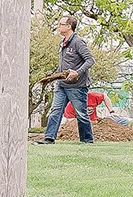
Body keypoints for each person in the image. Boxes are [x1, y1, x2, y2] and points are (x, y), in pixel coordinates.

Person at [40, 15, 96, 145]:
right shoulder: (63, 42)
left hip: (77, 86)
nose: (58, 26)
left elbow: (90, 60)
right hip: (61, 84)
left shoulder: (78, 42)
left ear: (68, 26)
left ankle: (87, 141)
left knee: (81, 114)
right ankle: (49, 138)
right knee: (55, 111)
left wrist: (77, 72)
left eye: (61, 24)